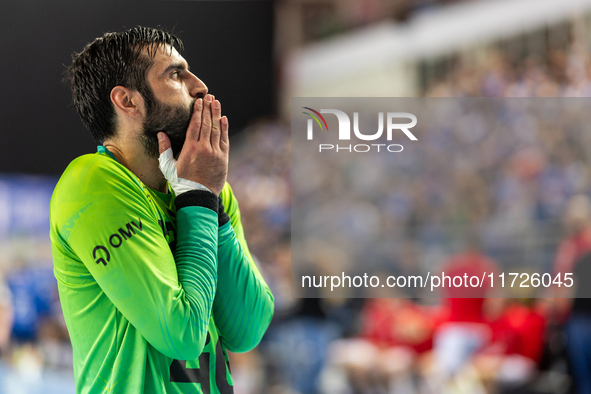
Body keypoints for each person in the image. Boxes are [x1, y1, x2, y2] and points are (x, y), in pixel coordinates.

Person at [49, 27, 274, 394]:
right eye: (175, 74)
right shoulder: (91, 183)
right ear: (128, 101)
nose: (199, 86)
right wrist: (199, 196)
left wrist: (204, 199)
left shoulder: (206, 187)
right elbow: (181, 335)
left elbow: (248, 329)